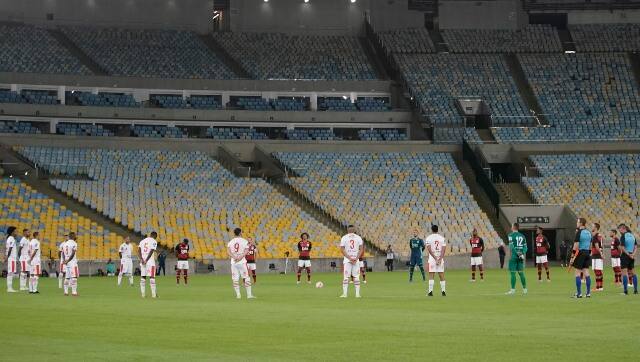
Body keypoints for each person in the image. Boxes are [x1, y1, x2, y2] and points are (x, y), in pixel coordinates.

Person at [227, 228, 254, 299]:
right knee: (246, 277)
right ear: (240, 233)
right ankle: (249, 295)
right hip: (242, 262)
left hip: (234, 262)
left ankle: (238, 295)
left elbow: (228, 251)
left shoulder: (231, 241)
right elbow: (246, 250)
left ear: (234, 233)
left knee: (235, 279)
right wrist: (240, 257)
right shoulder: (244, 241)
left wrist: (234, 257)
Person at [569, 218, 592, 298]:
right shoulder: (589, 232)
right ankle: (588, 293)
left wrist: (572, 256)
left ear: (581, 223)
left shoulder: (579, 232)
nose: (577, 223)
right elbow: (590, 245)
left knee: (577, 273)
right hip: (587, 253)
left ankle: (579, 293)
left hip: (581, 253)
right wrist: (588, 253)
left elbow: (576, 245)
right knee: (586, 273)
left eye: (578, 222)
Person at [340, 225, 363, 298]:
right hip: (356, 259)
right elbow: (361, 249)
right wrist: (356, 258)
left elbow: (342, 249)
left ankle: (344, 294)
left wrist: (349, 258)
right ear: (354, 230)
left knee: (346, 277)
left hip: (347, 260)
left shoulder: (344, 237)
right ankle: (357, 294)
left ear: (347, 230)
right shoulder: (358, 237)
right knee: (356, 277)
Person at [506, 223, 527, 295]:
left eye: (511, 226)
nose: (511, 227)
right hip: (521, 257)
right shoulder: (523, 236)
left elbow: (511, 247)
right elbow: (525, 247)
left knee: (513, 273)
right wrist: (522, 253)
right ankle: (525, 289)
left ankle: (512, 290)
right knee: (521, 273)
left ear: (514, 227)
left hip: (514, 257)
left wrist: (517, 254)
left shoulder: (510, 235)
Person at [425, 225, 447, 297]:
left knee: (431, 274)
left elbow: (429, 249)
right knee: (441, 275)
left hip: (432, 258)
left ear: (432, 230)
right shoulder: (442, 238)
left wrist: (435, 258)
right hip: (439, 257)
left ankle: (430, 292)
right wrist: (440, 258)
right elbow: (443, 249)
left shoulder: (428, 238)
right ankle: (443, 292)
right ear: (438, 230)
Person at [138, 232, 158, 298]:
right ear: (155, 236)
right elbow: (152, 251)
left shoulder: (142, 241)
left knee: (143, 277)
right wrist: (146, 260)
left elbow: (139, 251)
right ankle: (153, 295)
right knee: (152, 277)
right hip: (150, 262)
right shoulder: (154, 241)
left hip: (142, 261)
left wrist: (141, 259)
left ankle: (143, 294)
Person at [618, 224, 637, 295]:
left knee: (624, 273)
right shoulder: (632, 235)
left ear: (623, 228)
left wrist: (628, 254)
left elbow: (622, 247)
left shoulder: (623, 236)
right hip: (632, 255)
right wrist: (633, 254)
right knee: (633, 273)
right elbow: (635, 246)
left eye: (619, 229)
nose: (619, 231)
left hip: (625, 255)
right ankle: (635, 290)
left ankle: (625, 291)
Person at [62, 232, 79, 296]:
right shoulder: (74, 243)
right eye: (75, 235)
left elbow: (63, 253)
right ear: (73, 236)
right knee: (74, 277)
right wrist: (68, 260)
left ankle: (66, 292)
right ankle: (74, 292)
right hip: (72, 263)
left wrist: (64, 260)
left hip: (67, 263)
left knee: (67, 278)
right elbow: (73, 253)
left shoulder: (65, 244)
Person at [590, 223, 604, 291]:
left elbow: (597, 246)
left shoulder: (595, 236)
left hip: (596, 255)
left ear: (595, 228)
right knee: (599, 271)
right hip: (599, 254)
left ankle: (598, 287)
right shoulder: (600, 235)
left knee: (596, 271)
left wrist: (600, 253)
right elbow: (601, 245)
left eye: (592, 226)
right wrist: (602, 253)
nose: (591, 227)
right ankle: (600, 286)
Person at [5, 226, 18, 293]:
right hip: (11, 258)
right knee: (10, 273)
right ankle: (9, 288)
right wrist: (7, 257)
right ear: (12, 232)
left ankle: (10, 287)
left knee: (11, 272)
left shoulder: (10, 238)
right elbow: (10, 249)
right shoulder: (11, 239)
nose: (17, 233)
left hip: (12, 258)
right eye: (15, 231)